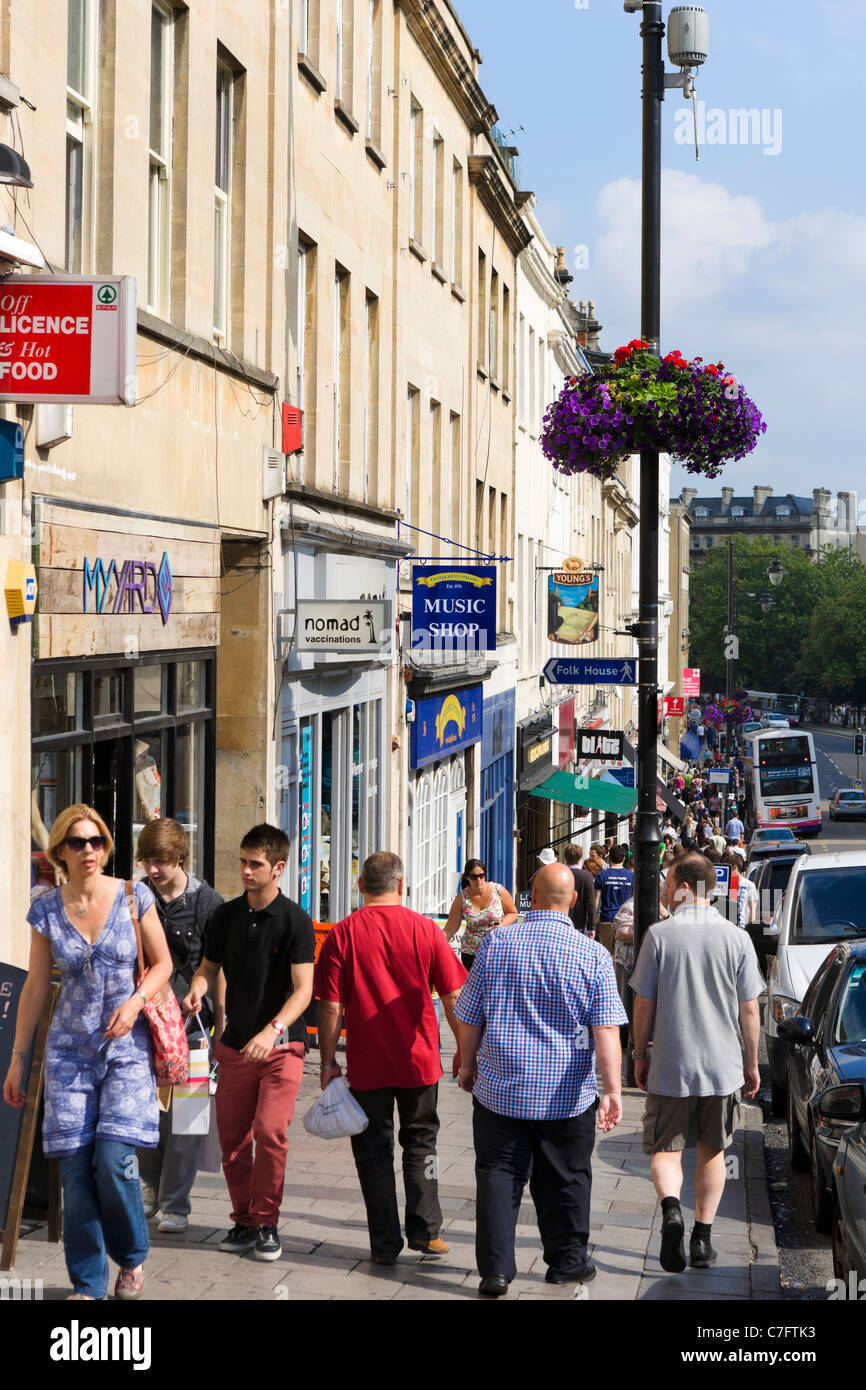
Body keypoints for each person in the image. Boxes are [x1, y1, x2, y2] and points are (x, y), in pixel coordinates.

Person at [3, 804, 172, 1300]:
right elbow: (35, 987)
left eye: (97, 841)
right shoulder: (46, 909)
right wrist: (17, 1059)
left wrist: (136, 1001)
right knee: (75, 1170)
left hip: (126, 1050)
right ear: (60, 851)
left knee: (114, 1161)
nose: (90, 850)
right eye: (78, 842)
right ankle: (88, 1283)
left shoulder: (132, 895)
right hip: (69, 1054)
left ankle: (133, 1257)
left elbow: (161, 964)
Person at [454, 864, 626, 1296]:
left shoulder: (496, 944)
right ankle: (567, 1264)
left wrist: (467, 1065)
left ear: (530, 895)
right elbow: (606, 1030)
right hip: (566, 1097)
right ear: (571, 901)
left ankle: (495, 1271)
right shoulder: (593, 956)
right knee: (567, 1178)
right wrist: (613, 1090)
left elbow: (470, 1016)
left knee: (497, 1175)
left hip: (501, 1091)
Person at [314, 852, 467, 1264]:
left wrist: (329, 1062)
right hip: (419, 1060)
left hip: (366, 1064)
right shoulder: (426, 930)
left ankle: (384, 1243)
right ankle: (426, 1230)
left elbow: (330, 1006)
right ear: (401, 886)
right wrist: (464, 1052)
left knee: (373, 1151)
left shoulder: (341, 935)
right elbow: (453, 994)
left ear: (360, 886)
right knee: (421, 1141)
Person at [183, 824, 315, 1263]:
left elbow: (303, 990)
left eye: (254, 864)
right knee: (233, 1141)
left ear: (278, 868)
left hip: (282, 1047)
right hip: (236, 1045)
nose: (245, 870)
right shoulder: (226, 916)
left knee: (270, 1132)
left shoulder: (295, 920)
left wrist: (272, 1030)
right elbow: (208, 965)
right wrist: (199, 987)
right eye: (242, 861)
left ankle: (266, 1222)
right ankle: (243, 1220)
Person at [630, 852, 764, 1273]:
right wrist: (751, 1061)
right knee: (712, 1152)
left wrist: (638, 1052)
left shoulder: (659, 936)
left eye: (669, 884)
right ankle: (702, 1240)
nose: (666, 892)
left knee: (666, 1151)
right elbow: (750, 1010)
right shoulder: (737, 937)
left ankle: (672, 1210)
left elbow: (643, 1001)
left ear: (687, 887)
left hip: (671, 1063)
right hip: (722, 1066)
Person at [135, 819, 225, 1233]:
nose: (153, 870)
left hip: (191, 1024)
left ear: (180, 858)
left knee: (187, 1121)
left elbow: (219, 966)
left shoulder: (208, 904)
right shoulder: (137, 897)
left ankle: (176, 1205)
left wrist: (221, 1020)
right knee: (150, 1113)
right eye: (148, 861)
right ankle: (148, 1190)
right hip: (147, 1023)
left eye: (161, 862)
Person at [443, 859, 518, 970]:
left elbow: (512, 912)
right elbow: (450, 929)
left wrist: (501, 925)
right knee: (474, 986)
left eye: (481, 875)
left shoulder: (498, 890)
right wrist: (435, 942)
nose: (478, 880)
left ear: (485, 874)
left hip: (496, 948)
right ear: (467, 878)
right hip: (470, 953)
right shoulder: (462, 898)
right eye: (474, 877)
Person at [593, 844, 633, 956]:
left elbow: (596, 900)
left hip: (607, 919)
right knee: (622, 956)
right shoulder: (631, 876)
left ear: (609, 857)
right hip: (625, 921)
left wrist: (593, 920)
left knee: (606, 955)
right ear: (624, 859)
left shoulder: (602, 876)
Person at [562, 844, 597, 936]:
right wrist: (591, 928)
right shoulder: (586, 877)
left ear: (565, 857)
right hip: (579, 924)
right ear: (580, 857)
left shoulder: (559, 874)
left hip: (560, 923)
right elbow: (591, 904)